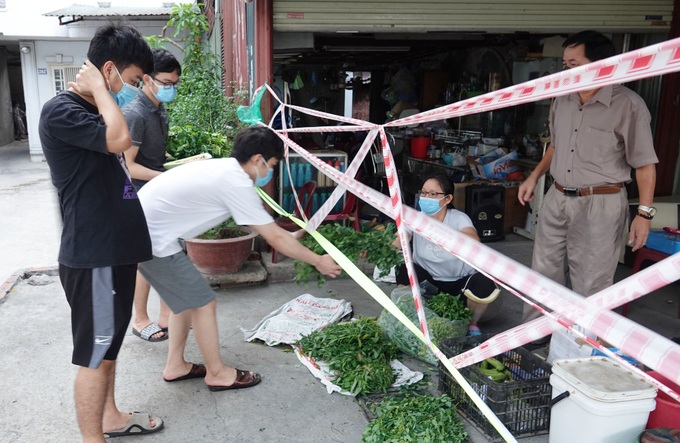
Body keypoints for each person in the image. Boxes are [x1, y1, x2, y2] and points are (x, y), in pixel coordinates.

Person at [137, 126, 342, 389]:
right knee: (203, 303)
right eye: (271, 165)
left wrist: (293, 238)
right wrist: (318, 260)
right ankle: (217, 373)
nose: (269, 172)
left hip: (145, 234)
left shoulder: (225, 169)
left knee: (186, 302)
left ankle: (176, 366)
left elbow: (275, 235)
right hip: (152, 240)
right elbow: (275, 238)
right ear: (257, 160)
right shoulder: (236, 183)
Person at [39, 25, 164, 440]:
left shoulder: (94, 109)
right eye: (130, 81)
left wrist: (105, 93)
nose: (132, 92)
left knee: (107, 349)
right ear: (107, 71)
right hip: (94, 257)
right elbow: (120, 138)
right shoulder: (63, 111)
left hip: (115, 252)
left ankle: (110, 418)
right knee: (95, 355)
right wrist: (103, 92)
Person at [517, 30, 658, 325]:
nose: (566, 70)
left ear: (601, 63)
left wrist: (643, 214)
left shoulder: (628, 105)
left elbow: (644, 164)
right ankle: (534, 335)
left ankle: (580, 345)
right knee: (543, 272)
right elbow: (555, 145)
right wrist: (535, 176)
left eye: (573, 63)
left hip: (600, 203)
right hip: (557, 197)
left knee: (591, 280)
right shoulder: (563, 99)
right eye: (565, 64)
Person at [393, 173, 500, 336]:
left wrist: (440, 233)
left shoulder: (458, 218)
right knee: (403, 269)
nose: (426, 197)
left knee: (485, 282)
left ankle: (471, 324)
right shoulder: (415, 218)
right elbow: (399, 239)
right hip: (429, 282)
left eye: (433, 194)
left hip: (459, 284)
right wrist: (383, 246)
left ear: (448, 199)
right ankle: (415, 315)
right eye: (423, 192)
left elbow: (474, 240)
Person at [123, 48, 182, 342]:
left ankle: (164, 315)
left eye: (175, 83)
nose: (170, 88)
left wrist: (178, 162)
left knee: (166, 255)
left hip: (159, 193)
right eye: (166, 82)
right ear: (147, 79)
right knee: (144, 261)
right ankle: (140, 319)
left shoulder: (159, 108)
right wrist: (169, 175)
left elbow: (151, 154)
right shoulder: (135, 113)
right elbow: (129, 166)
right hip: (140, 196)